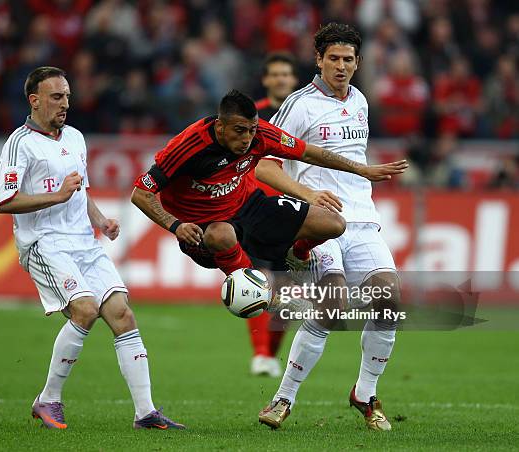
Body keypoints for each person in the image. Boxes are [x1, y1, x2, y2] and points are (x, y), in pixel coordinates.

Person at [0, 66, 184, 430]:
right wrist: (57, 195)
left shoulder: (76, 138)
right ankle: (47, 400)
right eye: (56, 97)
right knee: (85, 310)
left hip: (84, 241)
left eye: (66, 96)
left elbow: (80, 191)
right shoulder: (20, 143)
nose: (65, 103)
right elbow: (4, 202)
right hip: (44, 243)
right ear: (34, 101)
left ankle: (145, 412)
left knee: (122, 314)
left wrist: (99, 220)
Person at [131, 89, 406, 310]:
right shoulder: (189, 146)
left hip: (249, 205)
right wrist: (176, 226)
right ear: (220, 125)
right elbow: (141, 193)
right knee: (222, 235)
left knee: (334, 223)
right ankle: (265, 295)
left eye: (251, 129)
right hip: (204, 224)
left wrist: (361, 169)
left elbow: (308, 152)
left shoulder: (261, 134)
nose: (247, 138)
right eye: (239, 130)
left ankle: (297, 256)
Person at [256, 22, 402, 431]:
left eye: (348, 59)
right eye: (333, 58)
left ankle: (365, 393)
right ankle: (283, 399)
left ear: (358, 63)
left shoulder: (360, 101)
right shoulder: (299, 105)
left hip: (362, 219)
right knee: (334, 303)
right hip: (318, 223)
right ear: (318, 60)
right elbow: (266, 165)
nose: (341, 66)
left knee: (389, 298)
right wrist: (306, 194)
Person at [249, 53, 301, 377]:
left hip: (293, 211)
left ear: (293, 80)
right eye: (276, 74)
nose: (281, 79)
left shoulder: (304, 113)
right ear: (267, 80)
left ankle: (270, 354)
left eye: (286, 74)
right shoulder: (253, 115)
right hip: (255, 208)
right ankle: (260, 353)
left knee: (287, 291)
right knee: (257, 281)